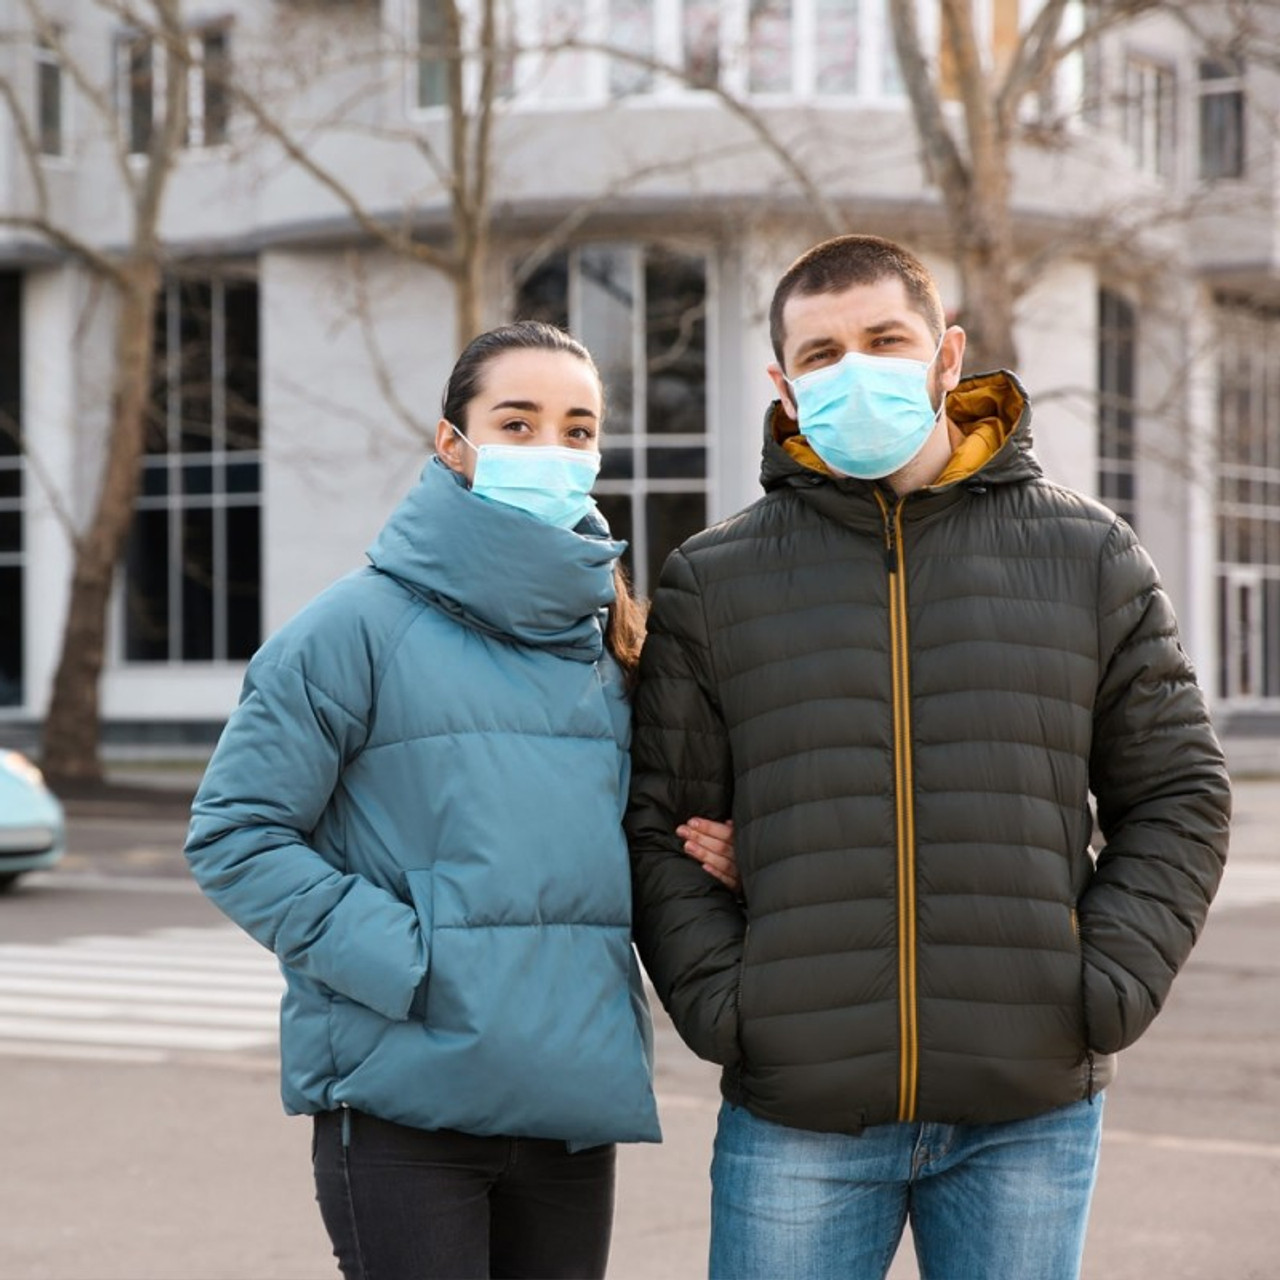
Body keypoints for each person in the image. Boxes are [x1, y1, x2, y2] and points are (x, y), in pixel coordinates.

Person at [625, 234, 1232, 1280]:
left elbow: (1177, 793)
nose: (852, 367)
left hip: (1026, 1110)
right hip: (800, 1110)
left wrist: (1104, 987)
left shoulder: (1087, 555)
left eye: (883, 339)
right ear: (780, 381)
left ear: (946, 356)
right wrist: (733, 1006)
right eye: (819, 353)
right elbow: (659, 825)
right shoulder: (712, 579)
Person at [184, 320, 736, 1280]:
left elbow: (642, 836)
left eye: (576, 430)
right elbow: (235, 835)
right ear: (453, 444)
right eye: (516, 424)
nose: (551, 452)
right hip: (404, 1107)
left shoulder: (615, 636)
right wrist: (414, 962)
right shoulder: (352, 629)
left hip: (566, 1104)